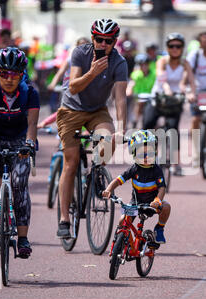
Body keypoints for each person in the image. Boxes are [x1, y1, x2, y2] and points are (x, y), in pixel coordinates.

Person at [56, 18, 128, 239]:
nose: (102, 44)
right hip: (71, 109)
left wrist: (122, 127)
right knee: (71, 161)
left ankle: (96, 172)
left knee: (109, 138)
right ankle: (65, 219)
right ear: (92, 38)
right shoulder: (80, 53)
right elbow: (74, 86)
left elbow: (120, 97)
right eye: (98, 39)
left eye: (107, 41)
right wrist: (93, 72)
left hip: (97, 110)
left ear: (115, 42)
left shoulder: (119, 62)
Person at [0, 47, 40, 259]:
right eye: (4, 73)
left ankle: (23, 238)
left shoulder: (30, 93)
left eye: (15, 75)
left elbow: (32, 124)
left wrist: (30, 144)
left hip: (21, 140)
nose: (9, 79)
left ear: (22, 75)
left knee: (19, 181)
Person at [102, 130, 171, 244]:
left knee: (167, 207)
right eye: (141, 154)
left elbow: (162, 188)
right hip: (135, 203)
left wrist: (158, 200)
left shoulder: (157, 170)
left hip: (152, 203)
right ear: (133, 153)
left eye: (150, 153)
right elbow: (118, 180)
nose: (146, 157)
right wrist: (108, 190)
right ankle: (128, 243)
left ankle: (159, 228)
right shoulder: (134, 169)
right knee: (122, 222)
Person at [145, 32, 196, 176]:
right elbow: (161, 76)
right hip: (159, 97)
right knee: (148, 124)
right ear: (167, 47)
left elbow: (191, 81)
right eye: (171, 46)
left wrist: (192, 93)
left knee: (173, 129)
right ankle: (145, 158)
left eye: (178, 46)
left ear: (182, 48)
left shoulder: (185, 63)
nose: (175, 49)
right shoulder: (162, 61)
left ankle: (175, 164)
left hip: (175, 101)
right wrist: (167, 88)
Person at [126, 54, 156, 129]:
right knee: (139, 104)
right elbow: (131, 84)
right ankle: (135, 121)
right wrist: (129, 90)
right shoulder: (136, 74)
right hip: (139, 98)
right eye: (141, 65)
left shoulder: (154, 74)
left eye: (145, 65)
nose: (144, 67)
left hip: (151, 99)